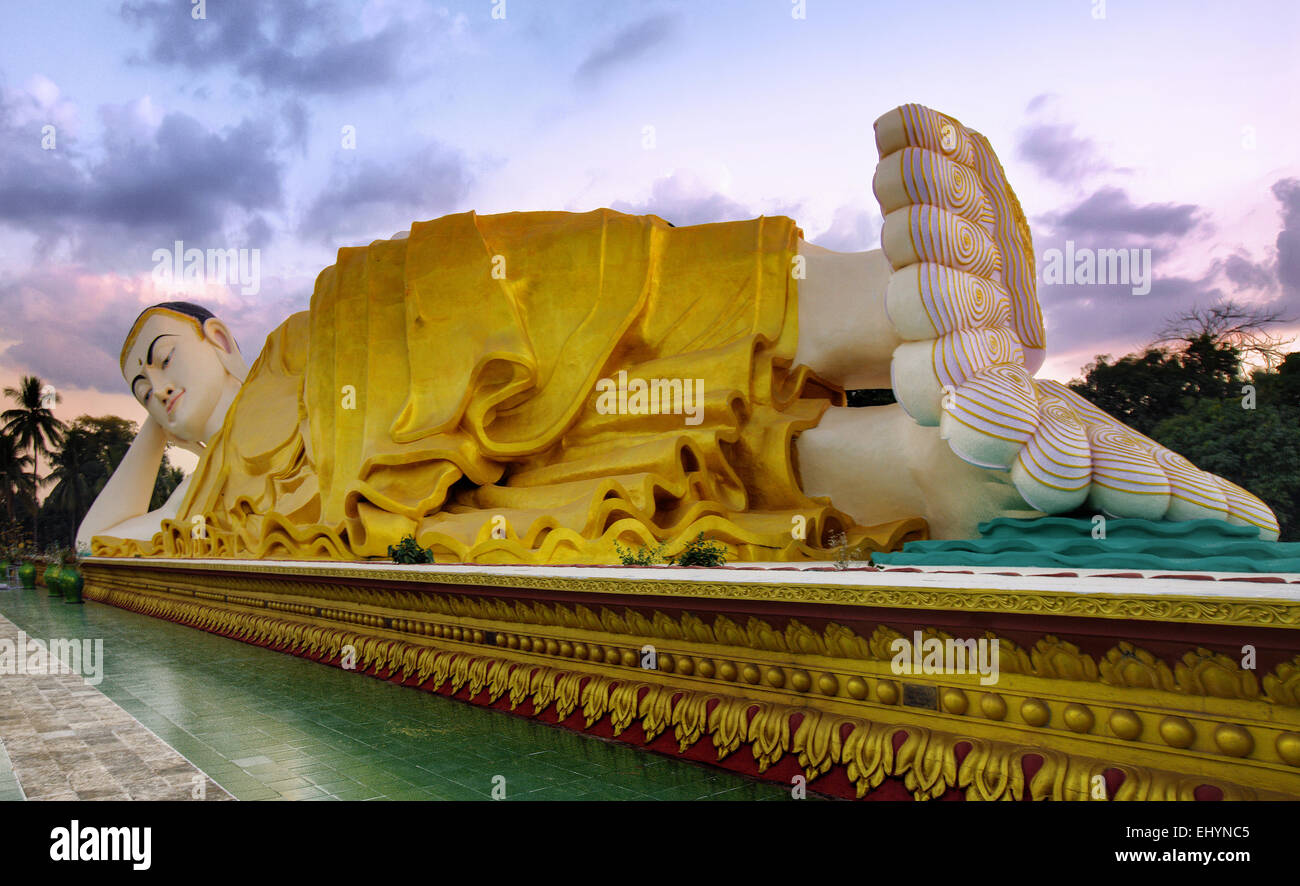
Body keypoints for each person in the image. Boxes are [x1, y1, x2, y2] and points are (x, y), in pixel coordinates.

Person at [78, 104, 1279, 563]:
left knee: (520, 282)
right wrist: (149, 434)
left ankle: (879, 300)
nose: (153, 387)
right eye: (138, 381)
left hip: (372, 345)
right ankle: (917, 467)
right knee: (615, 458)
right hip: (390, 471)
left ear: (224, 341)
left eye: (164, 357)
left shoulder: (300, 336)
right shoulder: (211, 500)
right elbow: (103, 542)